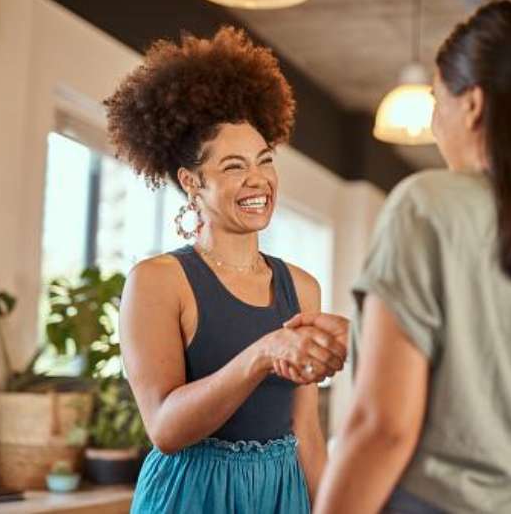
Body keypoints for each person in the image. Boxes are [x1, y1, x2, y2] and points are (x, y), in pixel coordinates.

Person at [314, 1, 511, 514]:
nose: (435, 124)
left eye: (438, 101)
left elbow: (383, 429)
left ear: (473, 104)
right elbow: (503, 362)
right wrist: (373, 333)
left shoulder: (429, 204)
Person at [104, 26, 348, 514]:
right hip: (193, 494)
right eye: (234, 166)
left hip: (282, 494)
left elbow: (305, 432)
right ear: (192, 183)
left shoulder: (302, 287)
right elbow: (166, 429)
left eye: (264, 161)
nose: (257, 179)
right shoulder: (158, 281)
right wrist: (262, 353)